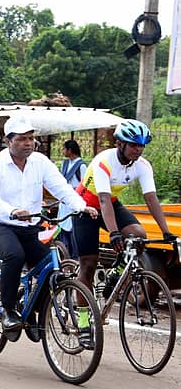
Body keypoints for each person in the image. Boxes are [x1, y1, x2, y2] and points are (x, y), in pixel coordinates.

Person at [0, 120, 97, 341]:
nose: (28, 143)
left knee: (52, 268)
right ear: (8, 141)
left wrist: (82, 206)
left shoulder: (40, 162)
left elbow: (62, 188)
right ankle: (8, 311)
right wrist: (13, 210)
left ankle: (33, 312)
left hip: (28, 227)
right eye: (22, 139)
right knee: (15, 255)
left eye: (31, 138)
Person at [74, 120, 176, 295]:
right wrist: (113, 233)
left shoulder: (142, 165)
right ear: (120, 143)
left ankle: (117, 270)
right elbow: (103, 199)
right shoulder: (103, 161)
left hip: (110, 203)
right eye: (134, 145)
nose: (139, 150)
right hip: (84, 208)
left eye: (142, 146)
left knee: (139, 235)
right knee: (88, 265)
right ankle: (83, 317)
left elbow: (151, 198)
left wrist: (166, 231)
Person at [56, 139, 86, 259]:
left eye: (64, 148)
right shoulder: (66, 164)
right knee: (63, 228)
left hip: (74, 200)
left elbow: (84, 185)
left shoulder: (81, 166)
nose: (63, 151)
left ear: (70, 150)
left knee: (73, 229)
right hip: (64, 202)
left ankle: (74, 257)